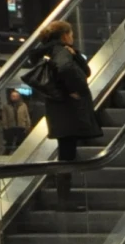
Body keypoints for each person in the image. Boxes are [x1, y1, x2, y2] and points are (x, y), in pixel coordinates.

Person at [27, 20, 100, 210]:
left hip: (59, 111)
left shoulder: (51, 51)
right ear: (64, 35)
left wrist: (76, 56)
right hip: (68, 111)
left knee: (66, 153)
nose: (73, 37)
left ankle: (64, 198)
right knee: (67, 155)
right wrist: (76, 90)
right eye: (71, 34)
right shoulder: (60, 51)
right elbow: (67, 69)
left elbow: (85, 70)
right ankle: (64, 200)